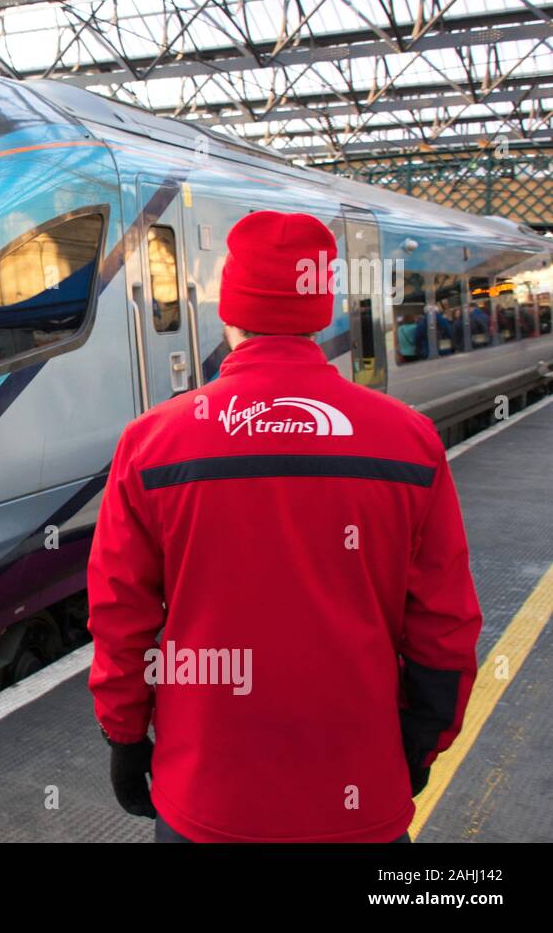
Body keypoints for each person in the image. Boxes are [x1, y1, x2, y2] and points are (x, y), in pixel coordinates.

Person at [88, 210, 482, 843]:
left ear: (228, 312)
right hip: (359, 799)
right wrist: (419, 744)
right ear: (319, 311)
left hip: (205, 798)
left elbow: (120, 616)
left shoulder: (151, 444)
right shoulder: (409, 441)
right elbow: (445, 625)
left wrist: (126, 736)